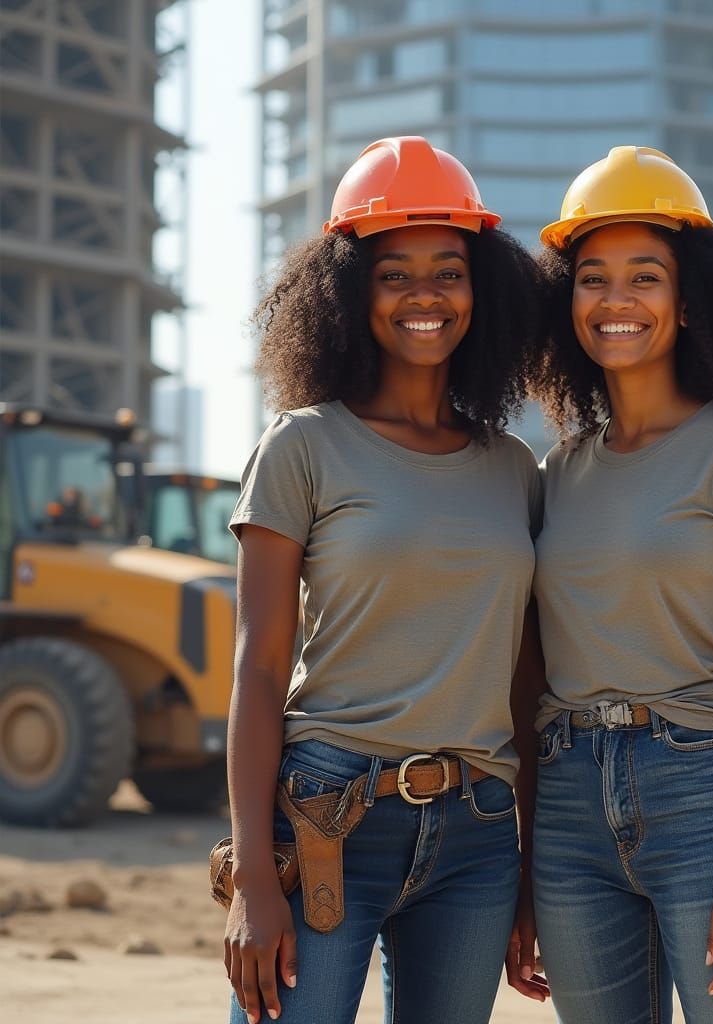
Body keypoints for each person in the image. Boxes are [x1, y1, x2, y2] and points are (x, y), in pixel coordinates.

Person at [222, 137, 546, 1024]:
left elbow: (527, 683)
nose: (425, 295)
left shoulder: (514, 468)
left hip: (478, 832)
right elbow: (256, 670)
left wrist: (526, 876)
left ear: (482, 288)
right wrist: (254, 875)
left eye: (449, 269)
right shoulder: (302, 446)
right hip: (328, 815)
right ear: (349, 293)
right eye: (394, 273)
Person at [528, 145, 713, 1023]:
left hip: (705, 798)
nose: (615, 301)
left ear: (688, 301)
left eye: (643, 277)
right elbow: (533, 668)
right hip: (568, 801)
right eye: (592, 278)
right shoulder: (556, 471)